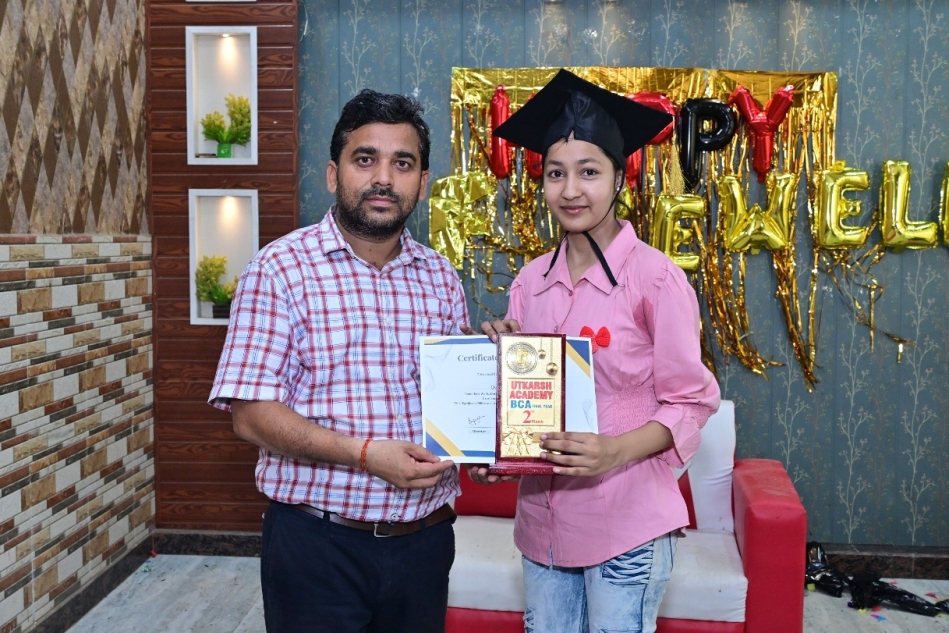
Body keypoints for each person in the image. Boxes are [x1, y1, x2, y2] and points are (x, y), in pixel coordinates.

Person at [209, 90, 470, 633]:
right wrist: (365, 455)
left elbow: (454, 404)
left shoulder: (441, 278)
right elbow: (250, 416)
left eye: (403, 163)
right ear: (334, 174)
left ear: (423, 183)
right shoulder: (279, 270)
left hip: (424, 545)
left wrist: (485, 442)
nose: (384, 178)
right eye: (365, 159)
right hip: (317, 547)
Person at [472, 70, 721, 633]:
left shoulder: (656, 279)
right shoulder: (529, 282)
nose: (570, 190)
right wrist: (499, 451)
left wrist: (612, 452)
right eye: (556, 173)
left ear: (619, 177)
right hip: (542, 527)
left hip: (626, 522)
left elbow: (690, 402)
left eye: (589, 171)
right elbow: (529, 407)